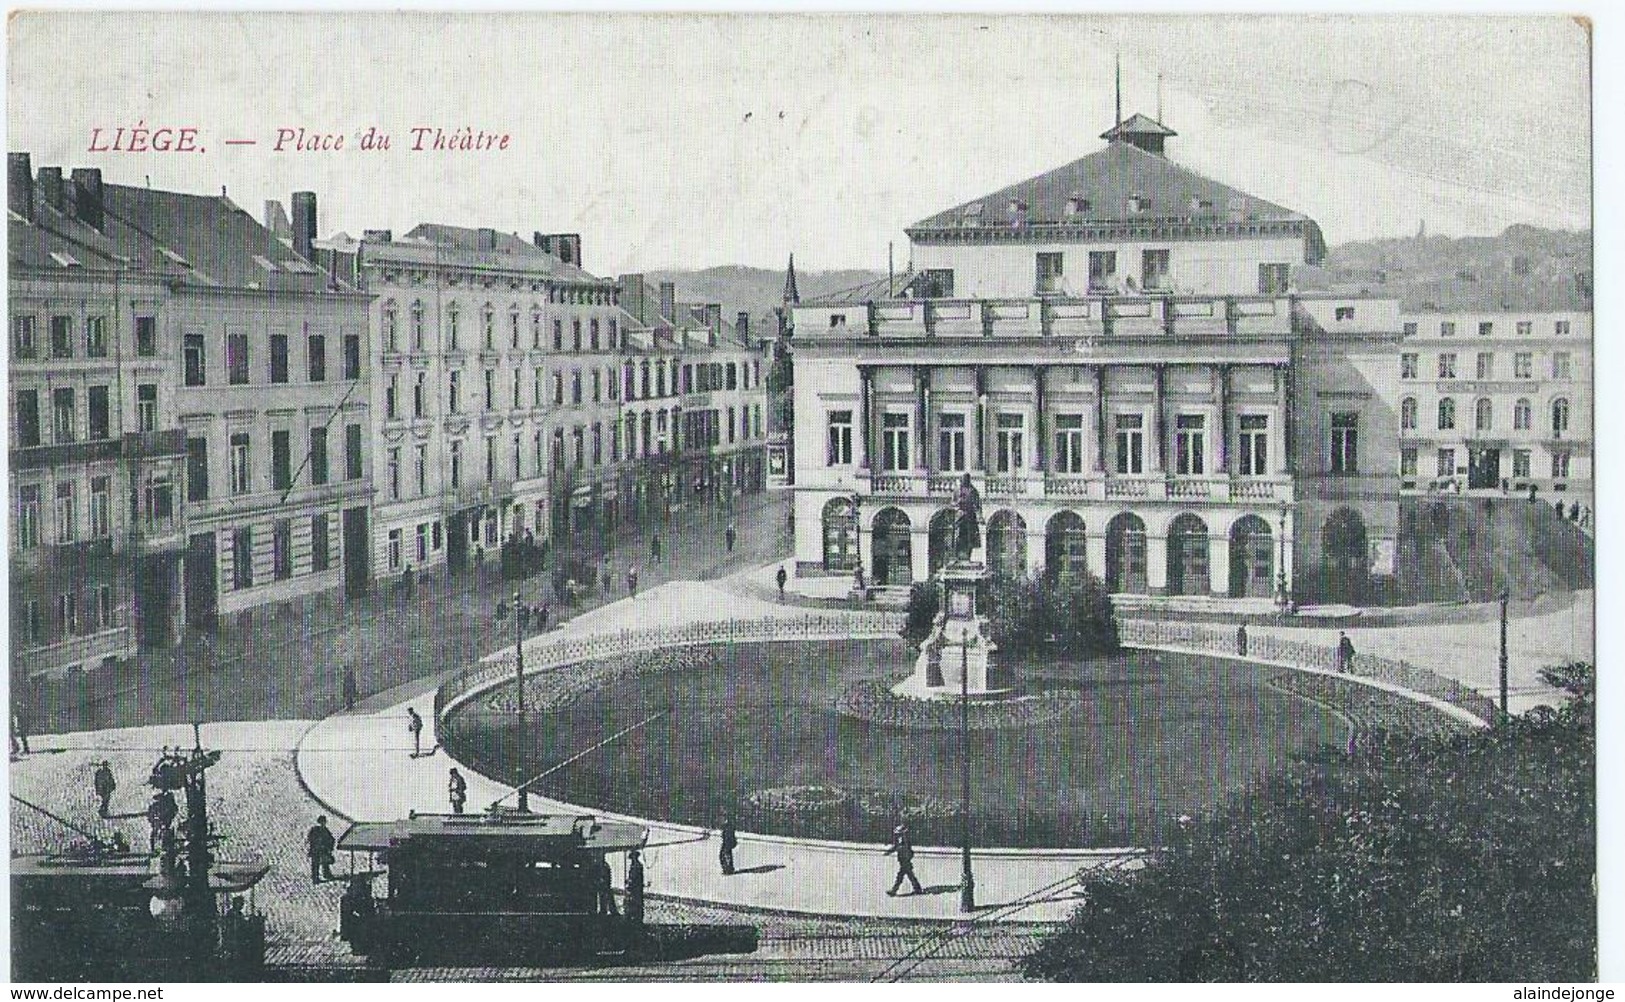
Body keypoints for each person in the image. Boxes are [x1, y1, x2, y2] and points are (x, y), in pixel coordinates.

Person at [884, 824, 923, 896]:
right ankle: (918, 889)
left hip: (905, 859)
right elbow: (896, 847)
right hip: (903, 859)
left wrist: (890, 851)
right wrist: (889, 852)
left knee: (901, 875)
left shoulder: (904, 839)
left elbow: (903, 848)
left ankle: (894, 890)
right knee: (909, 875)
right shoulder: (901, 839)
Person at [307, 815, 336, 884]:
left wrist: (329, 847)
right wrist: (317, 844)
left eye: (324, 822)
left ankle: (326, 874)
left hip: (323, 850)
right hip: (316, 850)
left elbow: (331, 839)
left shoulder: (325, 830)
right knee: (315, 864)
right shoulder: (315, 830)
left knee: (325, 863)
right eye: (322, 822)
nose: (323, 823)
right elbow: (311, 838)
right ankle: (315, 877)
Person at [148, 790, 178, 854]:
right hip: (158, 822)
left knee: (167, 832)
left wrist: (166, 821)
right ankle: (155, 849)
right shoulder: (154, 806)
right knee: (155, 833)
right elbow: (150, 816)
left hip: (166, 821)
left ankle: (166, 847)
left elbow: (173, 813)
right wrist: (154, 820)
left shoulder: (169, 806)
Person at [625, 850, 646, 925]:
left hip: (636, 888)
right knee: (635, 903)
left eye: (632, 858)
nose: (631, 860)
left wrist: (629, 882)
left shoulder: (636, 866)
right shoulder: (636, 865)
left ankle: (636, 918)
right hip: (636, 888)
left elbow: (634, 877)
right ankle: (636, 917)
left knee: (636, 903)